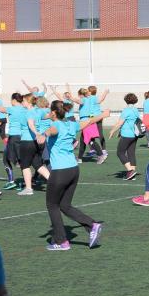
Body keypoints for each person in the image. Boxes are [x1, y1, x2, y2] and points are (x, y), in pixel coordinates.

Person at [37, 101, 106, 251]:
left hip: (60, 171)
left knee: (52, 205)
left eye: (50, 111)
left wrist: (44, 134)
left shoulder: (56, 126)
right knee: (65, 205)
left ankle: (62, 241)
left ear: (54, 113)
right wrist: (103, 115)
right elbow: (89, 121)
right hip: (73, 170)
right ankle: (92, 225)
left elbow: (53, 130)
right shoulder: (71, 124)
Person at [0, 93, 24, 190]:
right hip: (23, 137)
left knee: (5, 160)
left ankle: (11, 181)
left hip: (14, 137)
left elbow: (2, 109)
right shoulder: (25, 109)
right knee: (22, 161)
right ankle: (24, 182)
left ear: (14, 100)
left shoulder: (12, 109)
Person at [109, 93, 140, 180]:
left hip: (127, 135)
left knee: (120, 152)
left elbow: (120, 123)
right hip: (135, 135)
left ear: (126, 100)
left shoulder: (126, 110)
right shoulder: (136, 110)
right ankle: (132, 174)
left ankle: (130, 170)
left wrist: (112, 131)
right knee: (131, 153)